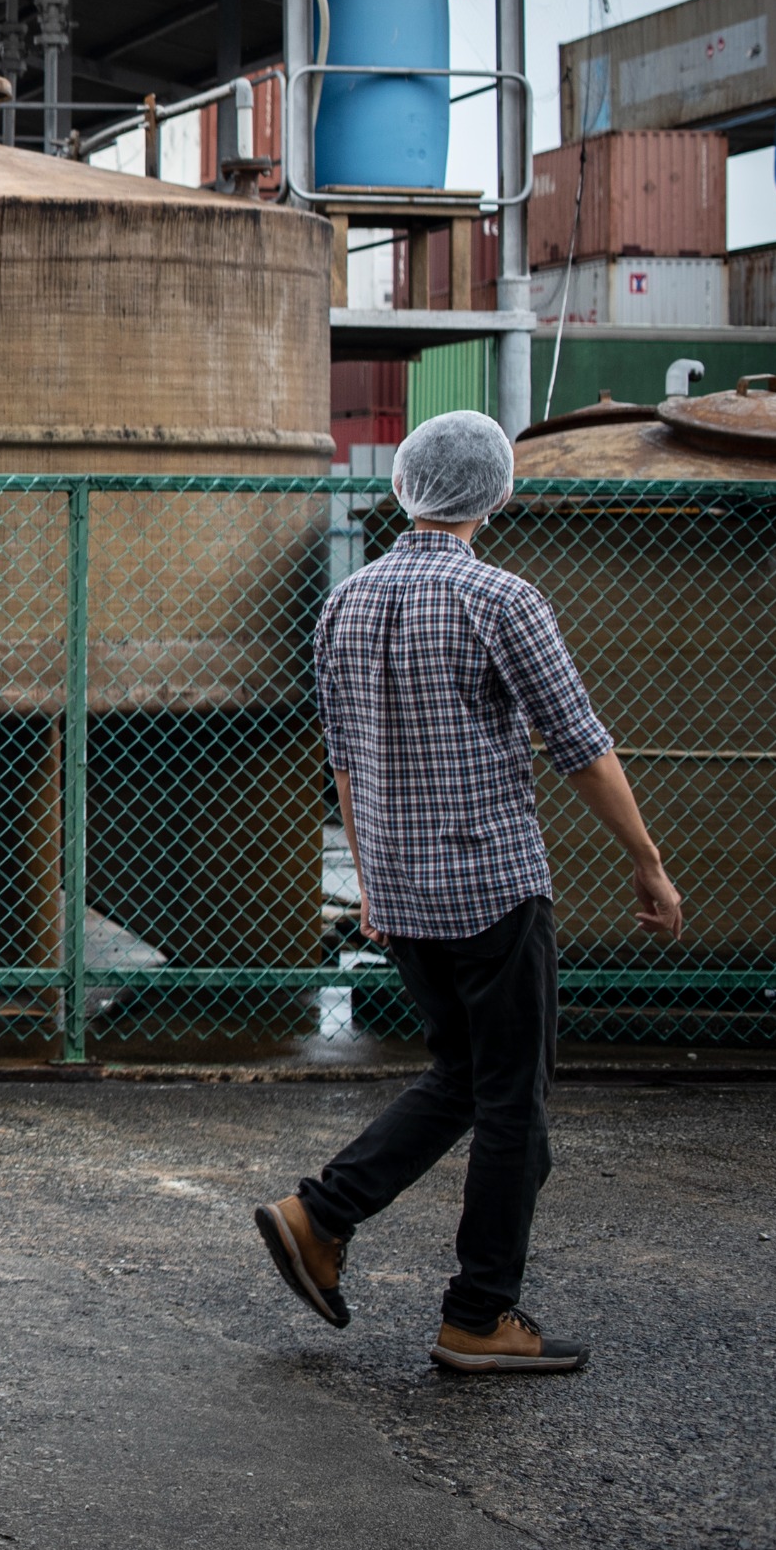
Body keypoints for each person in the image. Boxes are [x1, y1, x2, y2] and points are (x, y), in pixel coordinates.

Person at [256, 410, 681, 1375]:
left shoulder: (345, 604)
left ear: (405, 487)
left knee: (462, 1077)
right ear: (497, 494)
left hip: (402, 892)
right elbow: (580, 744)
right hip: (492, 886)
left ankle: (319, 1215)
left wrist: (370, 882)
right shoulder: (504, 600)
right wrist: (647, 859)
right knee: (513, 1107)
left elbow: (348, 764)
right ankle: (479, 1316)